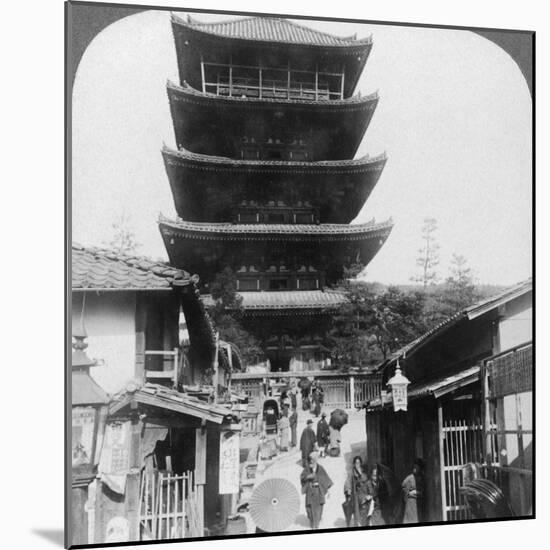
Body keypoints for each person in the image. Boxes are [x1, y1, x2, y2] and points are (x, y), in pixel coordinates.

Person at [300, 451, 333, 529]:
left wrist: (328, 491)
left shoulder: (320, 468)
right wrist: (308, 477)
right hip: (310, 492)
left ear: (316, 460)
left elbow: (325, 479)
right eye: (310, 459)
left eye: (313, 460)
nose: (311, 461)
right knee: (309, 510)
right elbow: (302, 477)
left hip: (318, 492)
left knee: (318, 511)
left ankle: (316, 526)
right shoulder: (307, 469)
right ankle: (312, 524)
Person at [344, 456, 370, 527]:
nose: (357, 464)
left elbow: (367, 481)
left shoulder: (364, 472)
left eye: (358, 462)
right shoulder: (351, 473)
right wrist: (348, 490)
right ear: (354, 464)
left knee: (364, 511)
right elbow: (347, 482)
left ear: (361, 463)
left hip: (364, 494)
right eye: (356, 463)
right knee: (356, 512)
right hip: (356, 495)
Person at [402, 458, 424, 523]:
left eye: (417, 467)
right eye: (414, 467)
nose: (415, 469)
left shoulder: (422, 478)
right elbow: (403, 487)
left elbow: (423, 490)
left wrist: (417, 492)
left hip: (418, 503)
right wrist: (409, 493)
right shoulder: (409, 478)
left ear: (420, 468)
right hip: (410, 503)